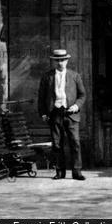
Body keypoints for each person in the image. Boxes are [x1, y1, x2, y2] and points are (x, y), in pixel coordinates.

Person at [38, 48, 86, 180]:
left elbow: (82, 95)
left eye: (63, 60)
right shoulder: (47, 76)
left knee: (75, 142)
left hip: (71, 113)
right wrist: (43, 113)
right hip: (55, 113)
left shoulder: (75, 76)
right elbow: (41, 97)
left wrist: (76, 106)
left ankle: (77, 172)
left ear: (67, 61)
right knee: (57, 143)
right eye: (58, 60)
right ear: (54, 61)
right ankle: (60, 172)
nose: (60, 63)